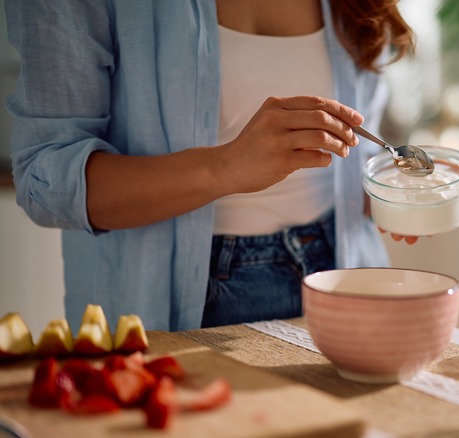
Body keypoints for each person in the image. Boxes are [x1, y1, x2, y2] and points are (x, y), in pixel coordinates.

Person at [5, 0, 415, 332]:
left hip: (346, 284)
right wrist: (227, 167)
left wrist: (393, 191)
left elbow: (355, 157)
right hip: (175, 311)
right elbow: (45, 178)